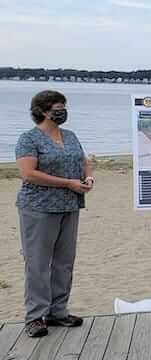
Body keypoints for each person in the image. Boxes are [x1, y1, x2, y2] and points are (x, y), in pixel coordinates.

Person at [15, 90, 94, 337]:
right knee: (37, 264)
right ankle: (35, 317)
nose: (62, 111)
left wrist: (88, 177)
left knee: (64, 262)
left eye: (64, 106)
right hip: (38, 207)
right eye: (57, 107)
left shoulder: (70, 136)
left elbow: (83, 161)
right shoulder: (29, 139)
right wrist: (68, 183)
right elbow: (28, 173)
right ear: (42, 111)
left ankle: (58, 312)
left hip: (69, 206)